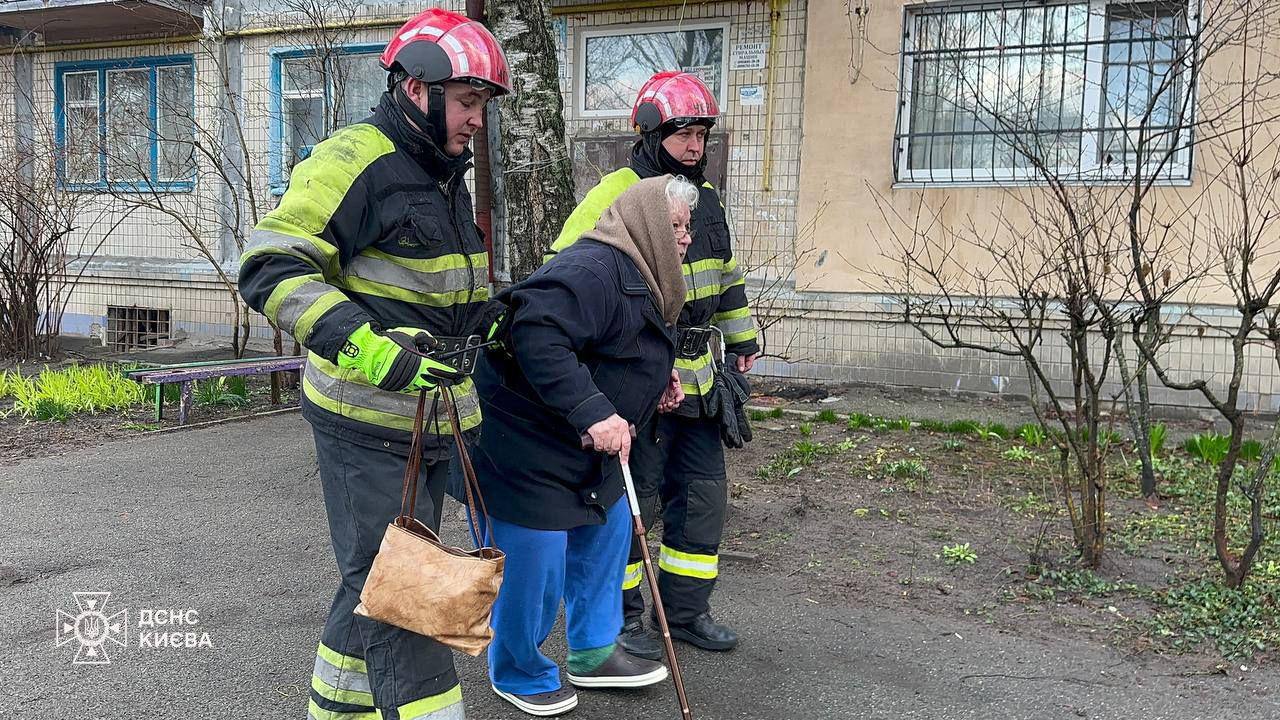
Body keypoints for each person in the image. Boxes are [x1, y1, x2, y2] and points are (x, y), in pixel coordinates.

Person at [237, 9, 510, 719]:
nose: (477, 119)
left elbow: (432, 292)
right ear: (418, 88)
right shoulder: (355, 158)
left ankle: (336, 708)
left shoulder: (442, 173)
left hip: (427, 421)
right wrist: (373, 350)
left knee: (375, 581)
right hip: (369, 421)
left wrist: (489, 321)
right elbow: (271, 265)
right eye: (470, 101)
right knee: (409, 596)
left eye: (483, 105)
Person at [545, 71, 760, 659]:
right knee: (628, 498)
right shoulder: (618, 189)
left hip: (701, 376)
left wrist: (743, 340)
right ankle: (621, 621)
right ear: (649, 133)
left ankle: (686, 612)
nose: (694, 147)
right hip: (637, 376)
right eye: (682, 134)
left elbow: (728, 275)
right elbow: (570, 267)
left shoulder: (706, 199)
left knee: (702, 493)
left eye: (701, 135)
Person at [470, 175, 697, 717]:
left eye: (688, 228)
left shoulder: (639, 268)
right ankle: (518, 669)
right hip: (529, 445)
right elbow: (535, 332)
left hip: (587, 449)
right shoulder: (592, 269)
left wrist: (657, 380)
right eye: (675, 227)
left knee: (607, 535)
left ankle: (594, 654)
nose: (686, 239)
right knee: (535, 561)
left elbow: (621, 342)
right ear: (645, 227)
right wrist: (594, 409)